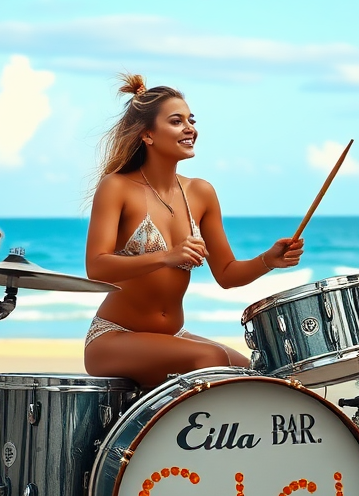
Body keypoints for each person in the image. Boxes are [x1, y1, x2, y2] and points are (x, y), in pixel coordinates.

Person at [84, 74, 303, 388]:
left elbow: (227, 273)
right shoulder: (117, 187)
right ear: (147, 134)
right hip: (115, 337)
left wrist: (268, 259)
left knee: (264, 375)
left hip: (173, 337)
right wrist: (166, 257)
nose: (190, 129)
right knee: (211, 359)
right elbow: (97, 267)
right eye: (176, 121)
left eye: (191, 120)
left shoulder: (201, 193)